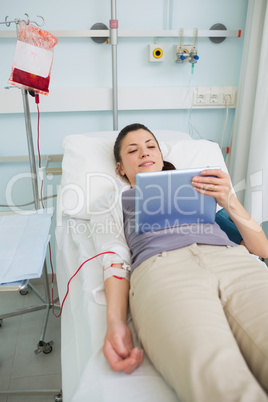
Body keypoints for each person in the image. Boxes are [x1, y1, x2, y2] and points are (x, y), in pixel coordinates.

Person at [91, 123, 268, 402]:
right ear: (120, 168)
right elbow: (114, 258)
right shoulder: (112, 201)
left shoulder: (201, 187)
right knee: (219, 378)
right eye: (133, 150)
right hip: (162, 271)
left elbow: (262, 248)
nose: (145, 153)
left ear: (161, 156)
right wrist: (115, 322)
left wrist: (228, 198)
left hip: (232, 260)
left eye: (151, 146)